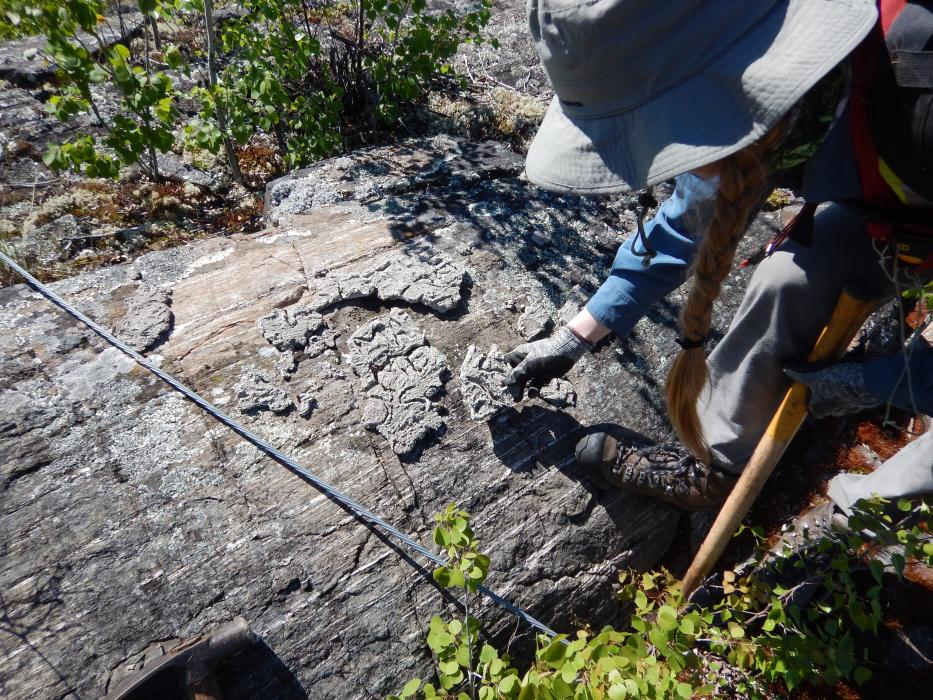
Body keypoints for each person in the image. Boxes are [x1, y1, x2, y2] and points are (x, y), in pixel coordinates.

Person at [505, 0, 933, 519]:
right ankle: (718, 464)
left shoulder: (919, 92)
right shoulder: (762, 102)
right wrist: (577, 336)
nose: (658, 158)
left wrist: (886, 382)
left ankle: (858, 528)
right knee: (789, 279)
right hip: (900, 212)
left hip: (913, 179)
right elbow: (688, 222)